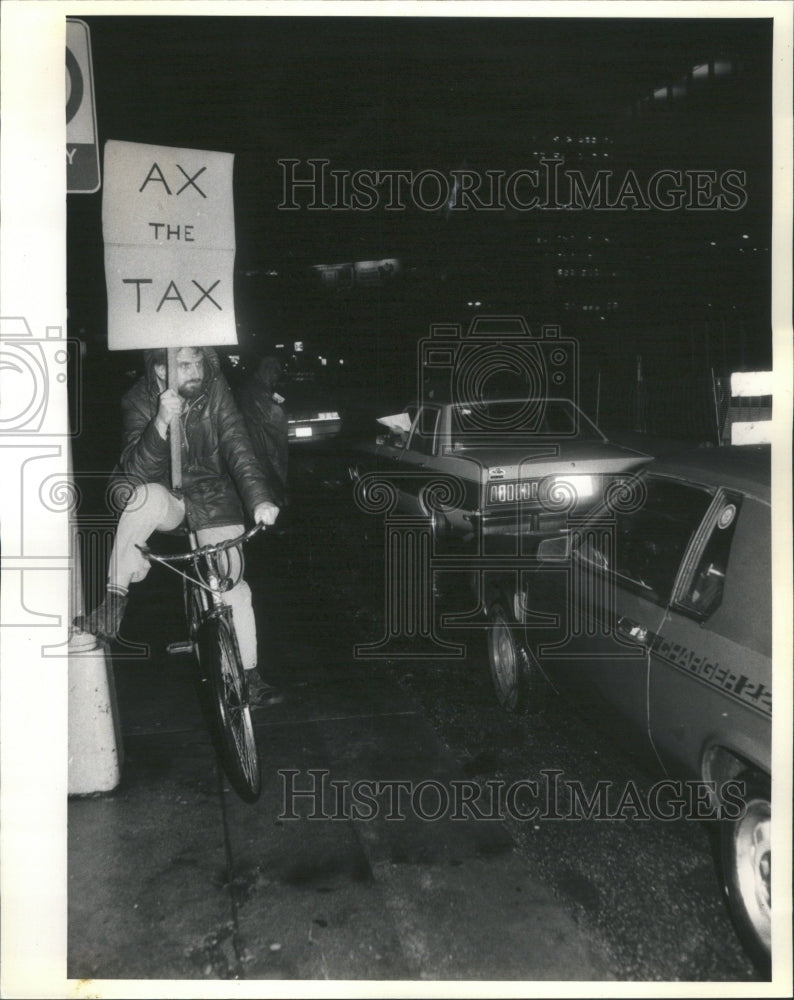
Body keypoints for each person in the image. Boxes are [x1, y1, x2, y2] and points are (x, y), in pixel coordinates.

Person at [74, 345, 280, 704]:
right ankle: (114, 603)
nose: (195, 370)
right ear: (160, 369)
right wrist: (160, 423)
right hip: (167, 499)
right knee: (144, 496)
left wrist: (259, 499)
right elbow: (135, 472)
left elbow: (238, 445)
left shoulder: (215, 389)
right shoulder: (138, 399)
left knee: (233, 587)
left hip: (214, 498)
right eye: (184, 364)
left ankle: (249, 676)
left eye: (198, 361)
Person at [235, 355, 289, 509]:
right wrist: (282, 409)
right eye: (275, 373)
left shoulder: (259, 388)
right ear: (267, 371)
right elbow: (273, 416)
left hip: (261, 440)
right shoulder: (255, 390)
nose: (276, 378)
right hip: (262, 442)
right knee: (270, 472)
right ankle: (273, 504)